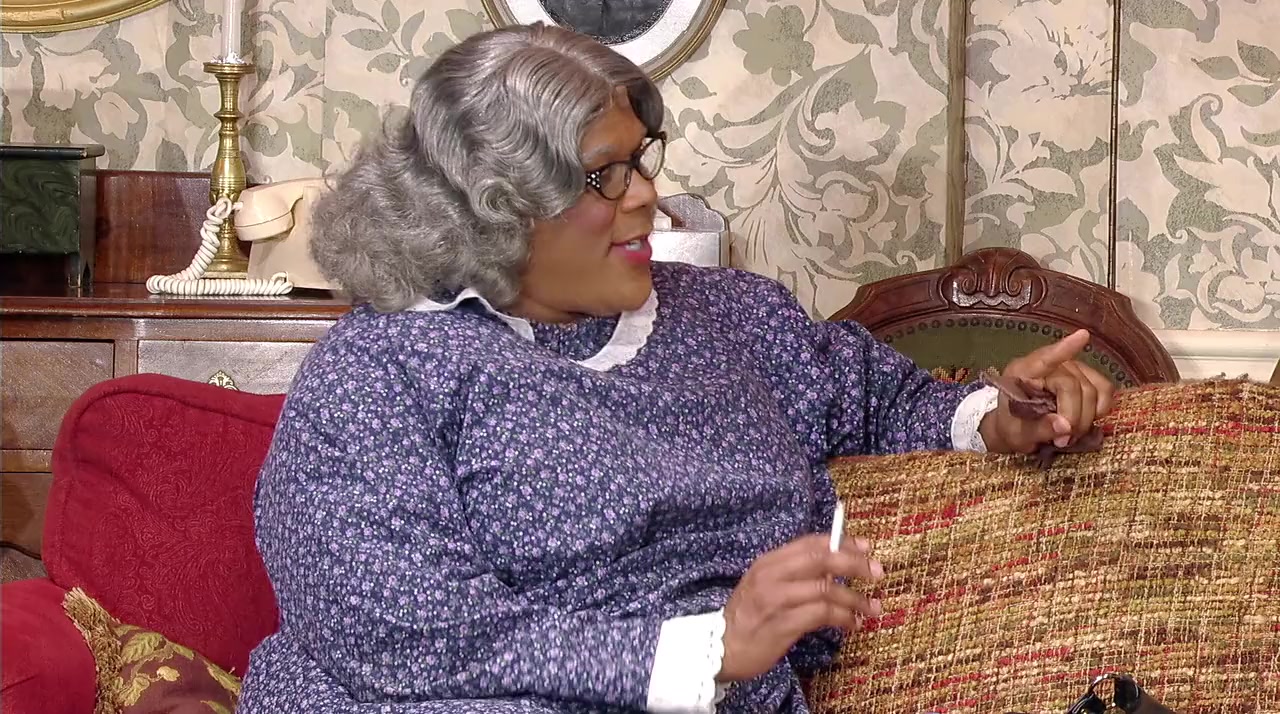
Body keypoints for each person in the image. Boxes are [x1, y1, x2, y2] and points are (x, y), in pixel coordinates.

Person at [237, 22, 1113, 714]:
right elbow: (398, 630)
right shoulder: (381, 370)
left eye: (641, 157)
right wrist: (709, 649)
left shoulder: (730, 315)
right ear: (494, 207)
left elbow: (882, 402)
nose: (648, 194)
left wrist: (1003, 418)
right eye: (604, 175)